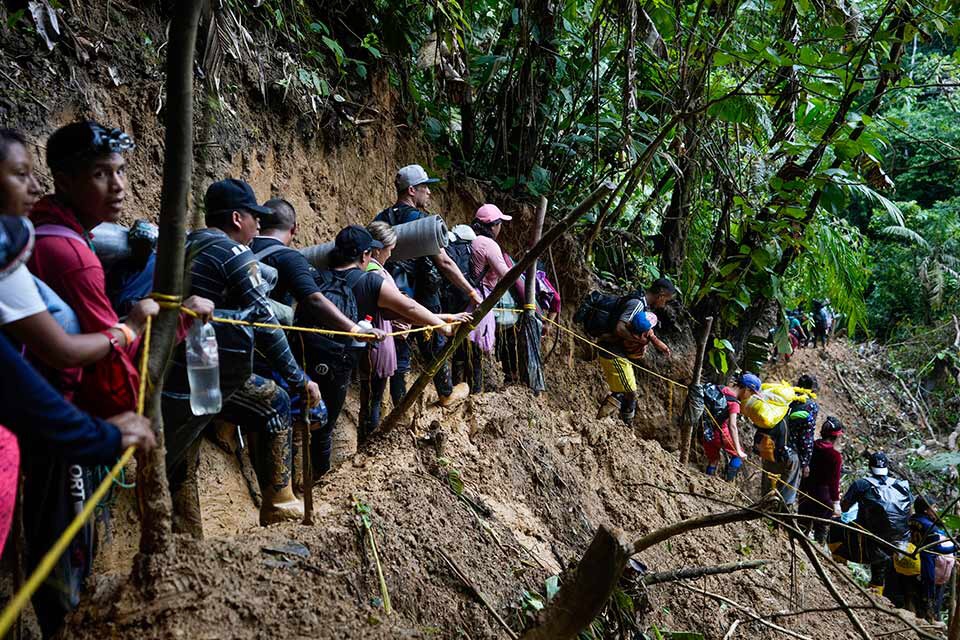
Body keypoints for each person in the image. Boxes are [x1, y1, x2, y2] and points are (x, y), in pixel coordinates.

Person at [171, 178, 321, 527]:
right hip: (211, 371)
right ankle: (279, 502)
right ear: (237, 218)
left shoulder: (184, 246)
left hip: (171, 368)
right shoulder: (235, 254)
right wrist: (299, 379)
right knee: (277, 403)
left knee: (183, 456)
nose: (258, 225)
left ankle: (184, 537)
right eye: (255, 217)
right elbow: (265, 322)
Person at [325, 225, 469, 442]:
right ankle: (368, 447)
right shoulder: (373, 276)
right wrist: (442, 325)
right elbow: (405, 308)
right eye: (389, 248)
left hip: (343, 347)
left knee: (363, 402)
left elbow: (398, 310)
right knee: (372, 400)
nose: (391, 253)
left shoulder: (328, 276)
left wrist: (444, 317)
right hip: (373, 344)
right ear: (370, 251)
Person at [373, 164, 480, 406]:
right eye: (425, 188)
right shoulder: (421, 221)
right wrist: (471, 291)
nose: (429, 193)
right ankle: (445, 392)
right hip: (420, 290)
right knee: (434, 339)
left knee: (400, 342)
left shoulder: (382, 217)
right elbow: (444, 262)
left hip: (389, 289)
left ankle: (398, 404)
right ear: (412, 190)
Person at [594, 279, 675, 425]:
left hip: (617, 352)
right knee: (628, 391)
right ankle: (603, 423)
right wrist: (640, 341)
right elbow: (619, 328)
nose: (664, 305)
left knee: (627, 392)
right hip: (612, 351)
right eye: (666, 301)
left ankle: (622, 425)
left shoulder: (642, 306)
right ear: (661, 295)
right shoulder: (637, 304)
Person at [832, 452, 913, 592]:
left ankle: (839, 570)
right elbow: (908, 512)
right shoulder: (901, 485)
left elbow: (844, 508)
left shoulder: (861, 484)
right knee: (879, 566)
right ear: (887, 467)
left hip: (865, 539)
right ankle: (877, 593)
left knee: (835, 526)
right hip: (896, 542)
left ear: (870, 467)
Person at [464, 204, 524, 390]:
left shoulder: (469, 239)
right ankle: (475, 391)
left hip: (464, 295)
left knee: (463, 348)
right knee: (475, 349)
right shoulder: (489, 244)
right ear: (494, 225)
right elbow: (506, 275)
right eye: (500, 224)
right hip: (480, 299)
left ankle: (464, 384)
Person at [701, 373, 758, 480]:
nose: (750, 397)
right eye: (751, 394)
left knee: (713, 460)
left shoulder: (721, 389)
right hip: (720, 433)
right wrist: (738, 450)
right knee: (738, 455)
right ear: (746, 389)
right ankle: (728, 483)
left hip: (706, 431)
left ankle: (708, 480)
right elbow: (732, 426)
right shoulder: (734, 403)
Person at [909, 495, 956, 621]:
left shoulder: (912, 519)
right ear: (926, 510)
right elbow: (939, 550)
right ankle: (929, 617)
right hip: (927, 562)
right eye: (934, 507)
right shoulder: (931, 528)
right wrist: (955, 547)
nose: (937, 509)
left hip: (911, 558)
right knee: (929, 592)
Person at [798, 416, 844, 543]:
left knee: (802, 526)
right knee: (821, 529)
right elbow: (833, 482)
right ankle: (818, 552)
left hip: (805, 492)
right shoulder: (835, 456)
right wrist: (836, 503)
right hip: (823, 497)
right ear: (837, 437)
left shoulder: (811, 445)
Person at [788, 374, 819, 479]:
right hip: (791, 454)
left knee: (768, 489)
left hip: (773, 448)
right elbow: (806, 437)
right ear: (813, 390)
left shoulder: (788, 398)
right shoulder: (810, 406)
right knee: (786, 493)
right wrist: (805, 463)